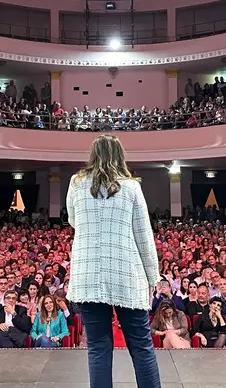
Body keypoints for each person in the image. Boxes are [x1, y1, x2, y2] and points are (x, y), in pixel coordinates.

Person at [66, 135, 161, 388]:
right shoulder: (131, 187)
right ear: (120, 155)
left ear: (93, 154)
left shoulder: (76, 183)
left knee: (97, 347)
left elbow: (73, 221)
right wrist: (153, 277)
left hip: (88, 276)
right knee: (141, 346)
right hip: (126, 275)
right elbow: (143, 234)